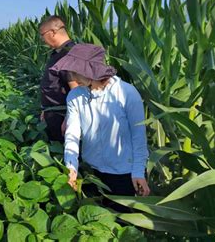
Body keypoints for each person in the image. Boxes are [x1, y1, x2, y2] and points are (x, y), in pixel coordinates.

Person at [50, 44, 150, 207]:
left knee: (123, 220)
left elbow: (139, 136)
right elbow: (72, 135)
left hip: (122, 172)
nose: (73, 76)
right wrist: (71, 167)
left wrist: (138, 172)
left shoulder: (126, 93)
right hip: (91, 170)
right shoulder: (75, 96)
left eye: (76, 71)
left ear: (90, 71)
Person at [39, 15, 77, 142]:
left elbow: (76, 90)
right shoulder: (59, 52)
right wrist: (46, 108)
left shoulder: (69, 53)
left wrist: (69, 119)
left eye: (42, 35)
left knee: (63, 154)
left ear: (53, 32)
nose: (42, 39)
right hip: (53, 113)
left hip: (62, 117)